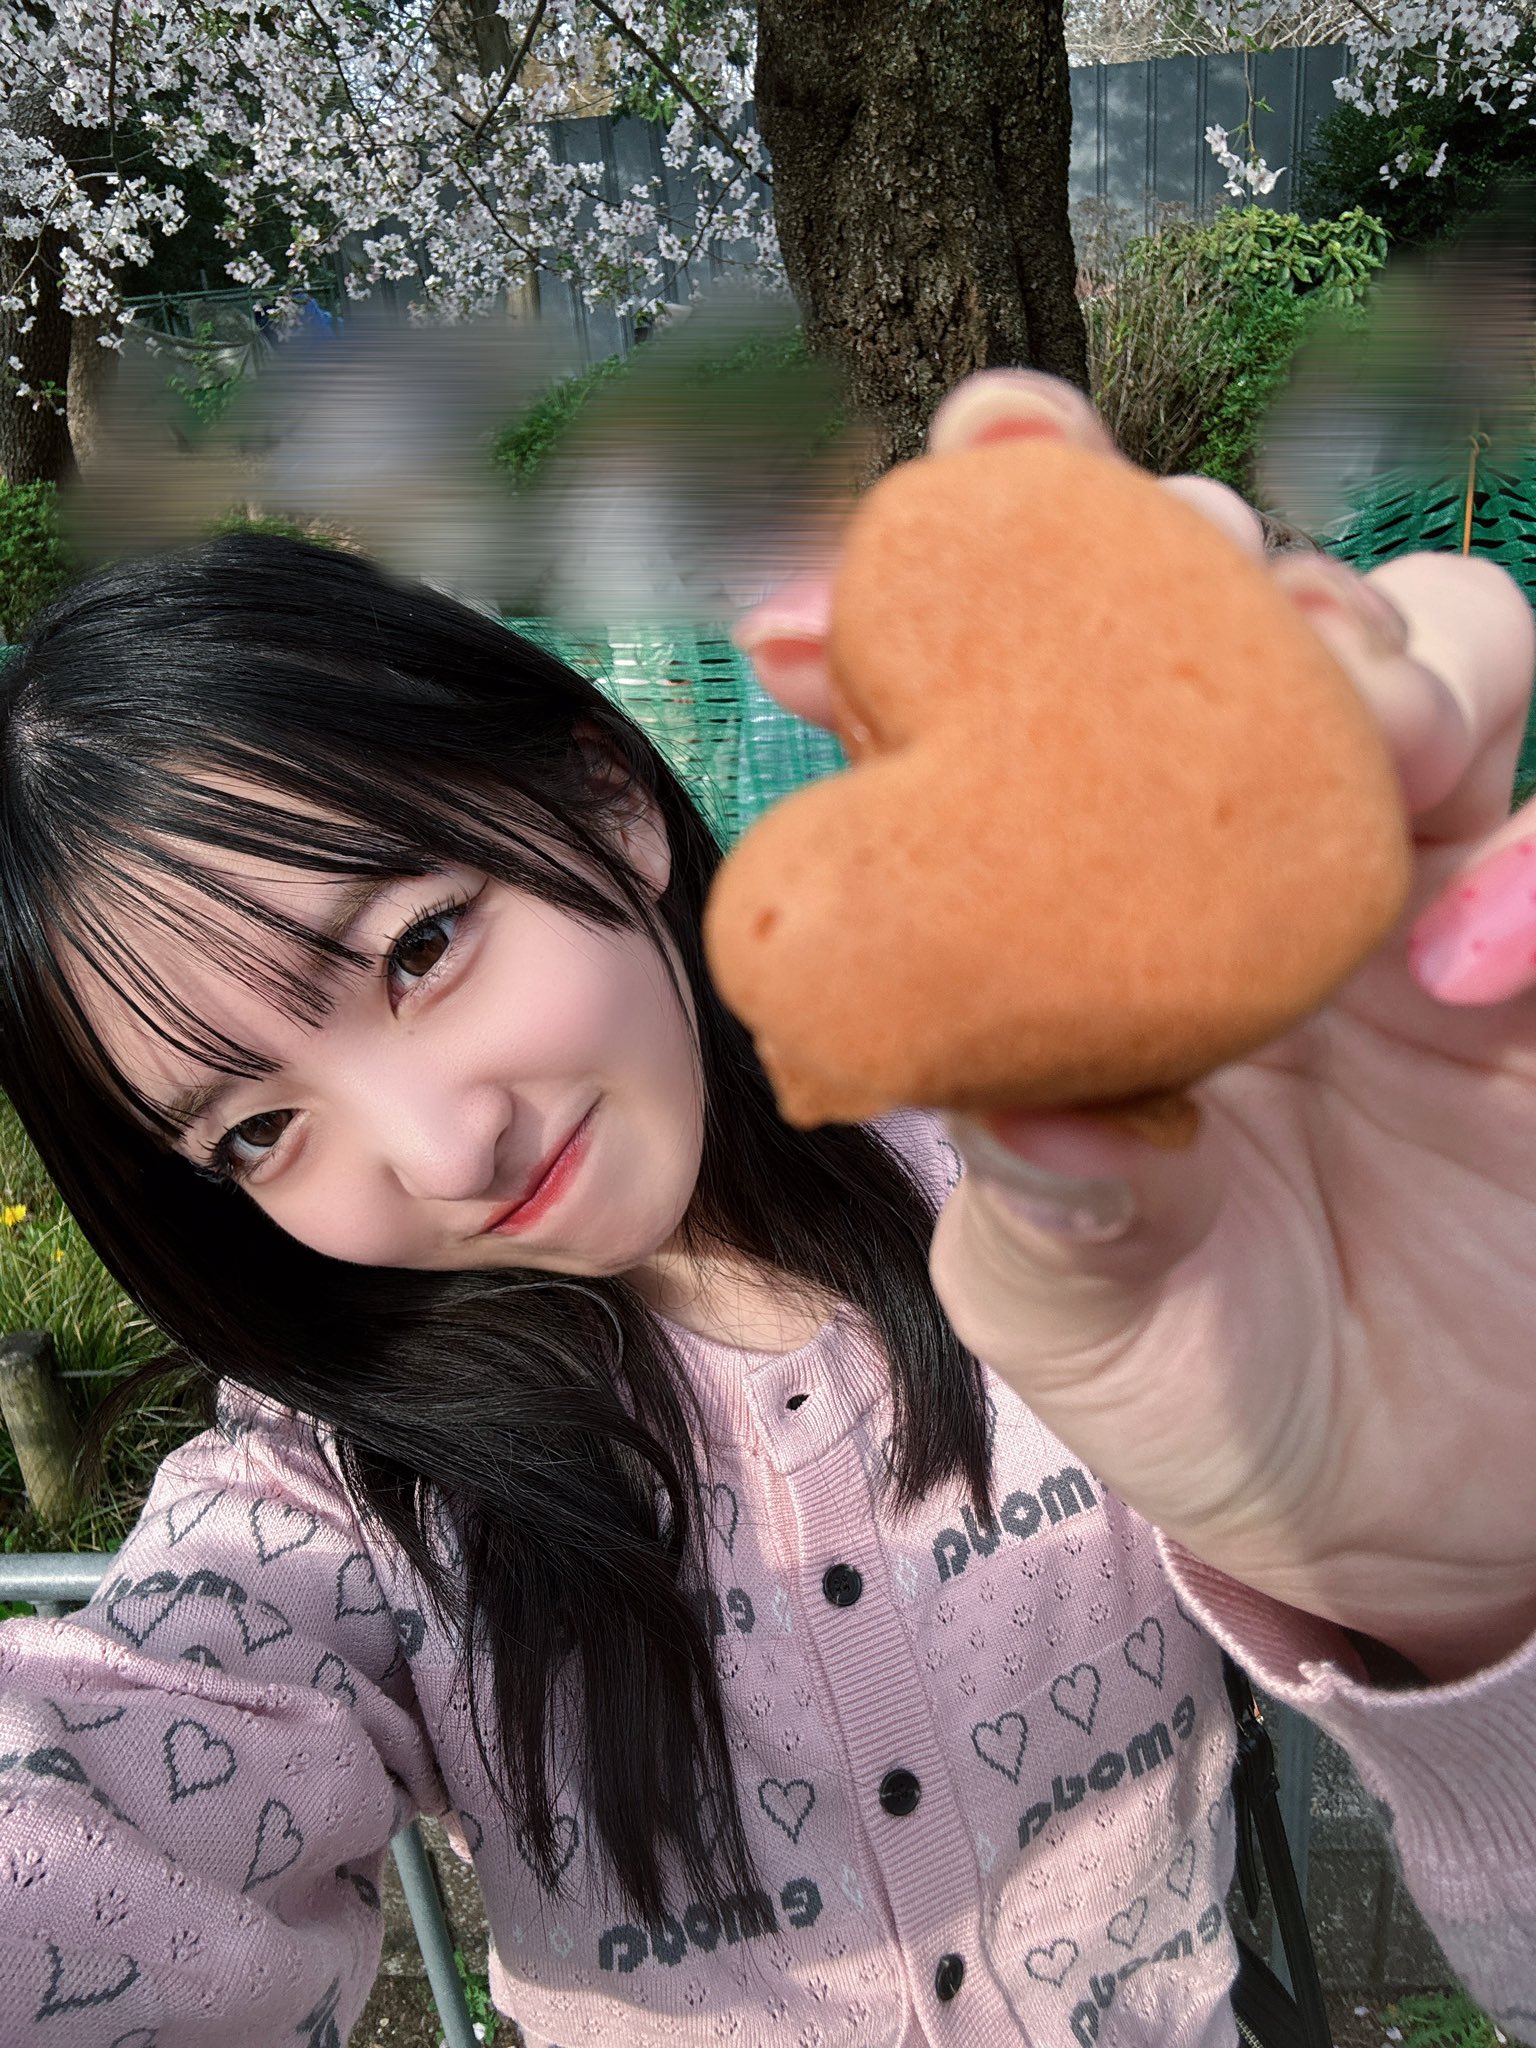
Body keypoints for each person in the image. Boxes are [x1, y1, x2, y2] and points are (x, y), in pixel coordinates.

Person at [0, 369, 1532, 2048]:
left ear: (607, 798)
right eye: (258, 1130)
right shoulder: (341, 1496)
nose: (444, 1154)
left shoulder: (1097, 1217)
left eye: (419, 948)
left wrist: (1474, 1607)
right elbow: (96, 1830)